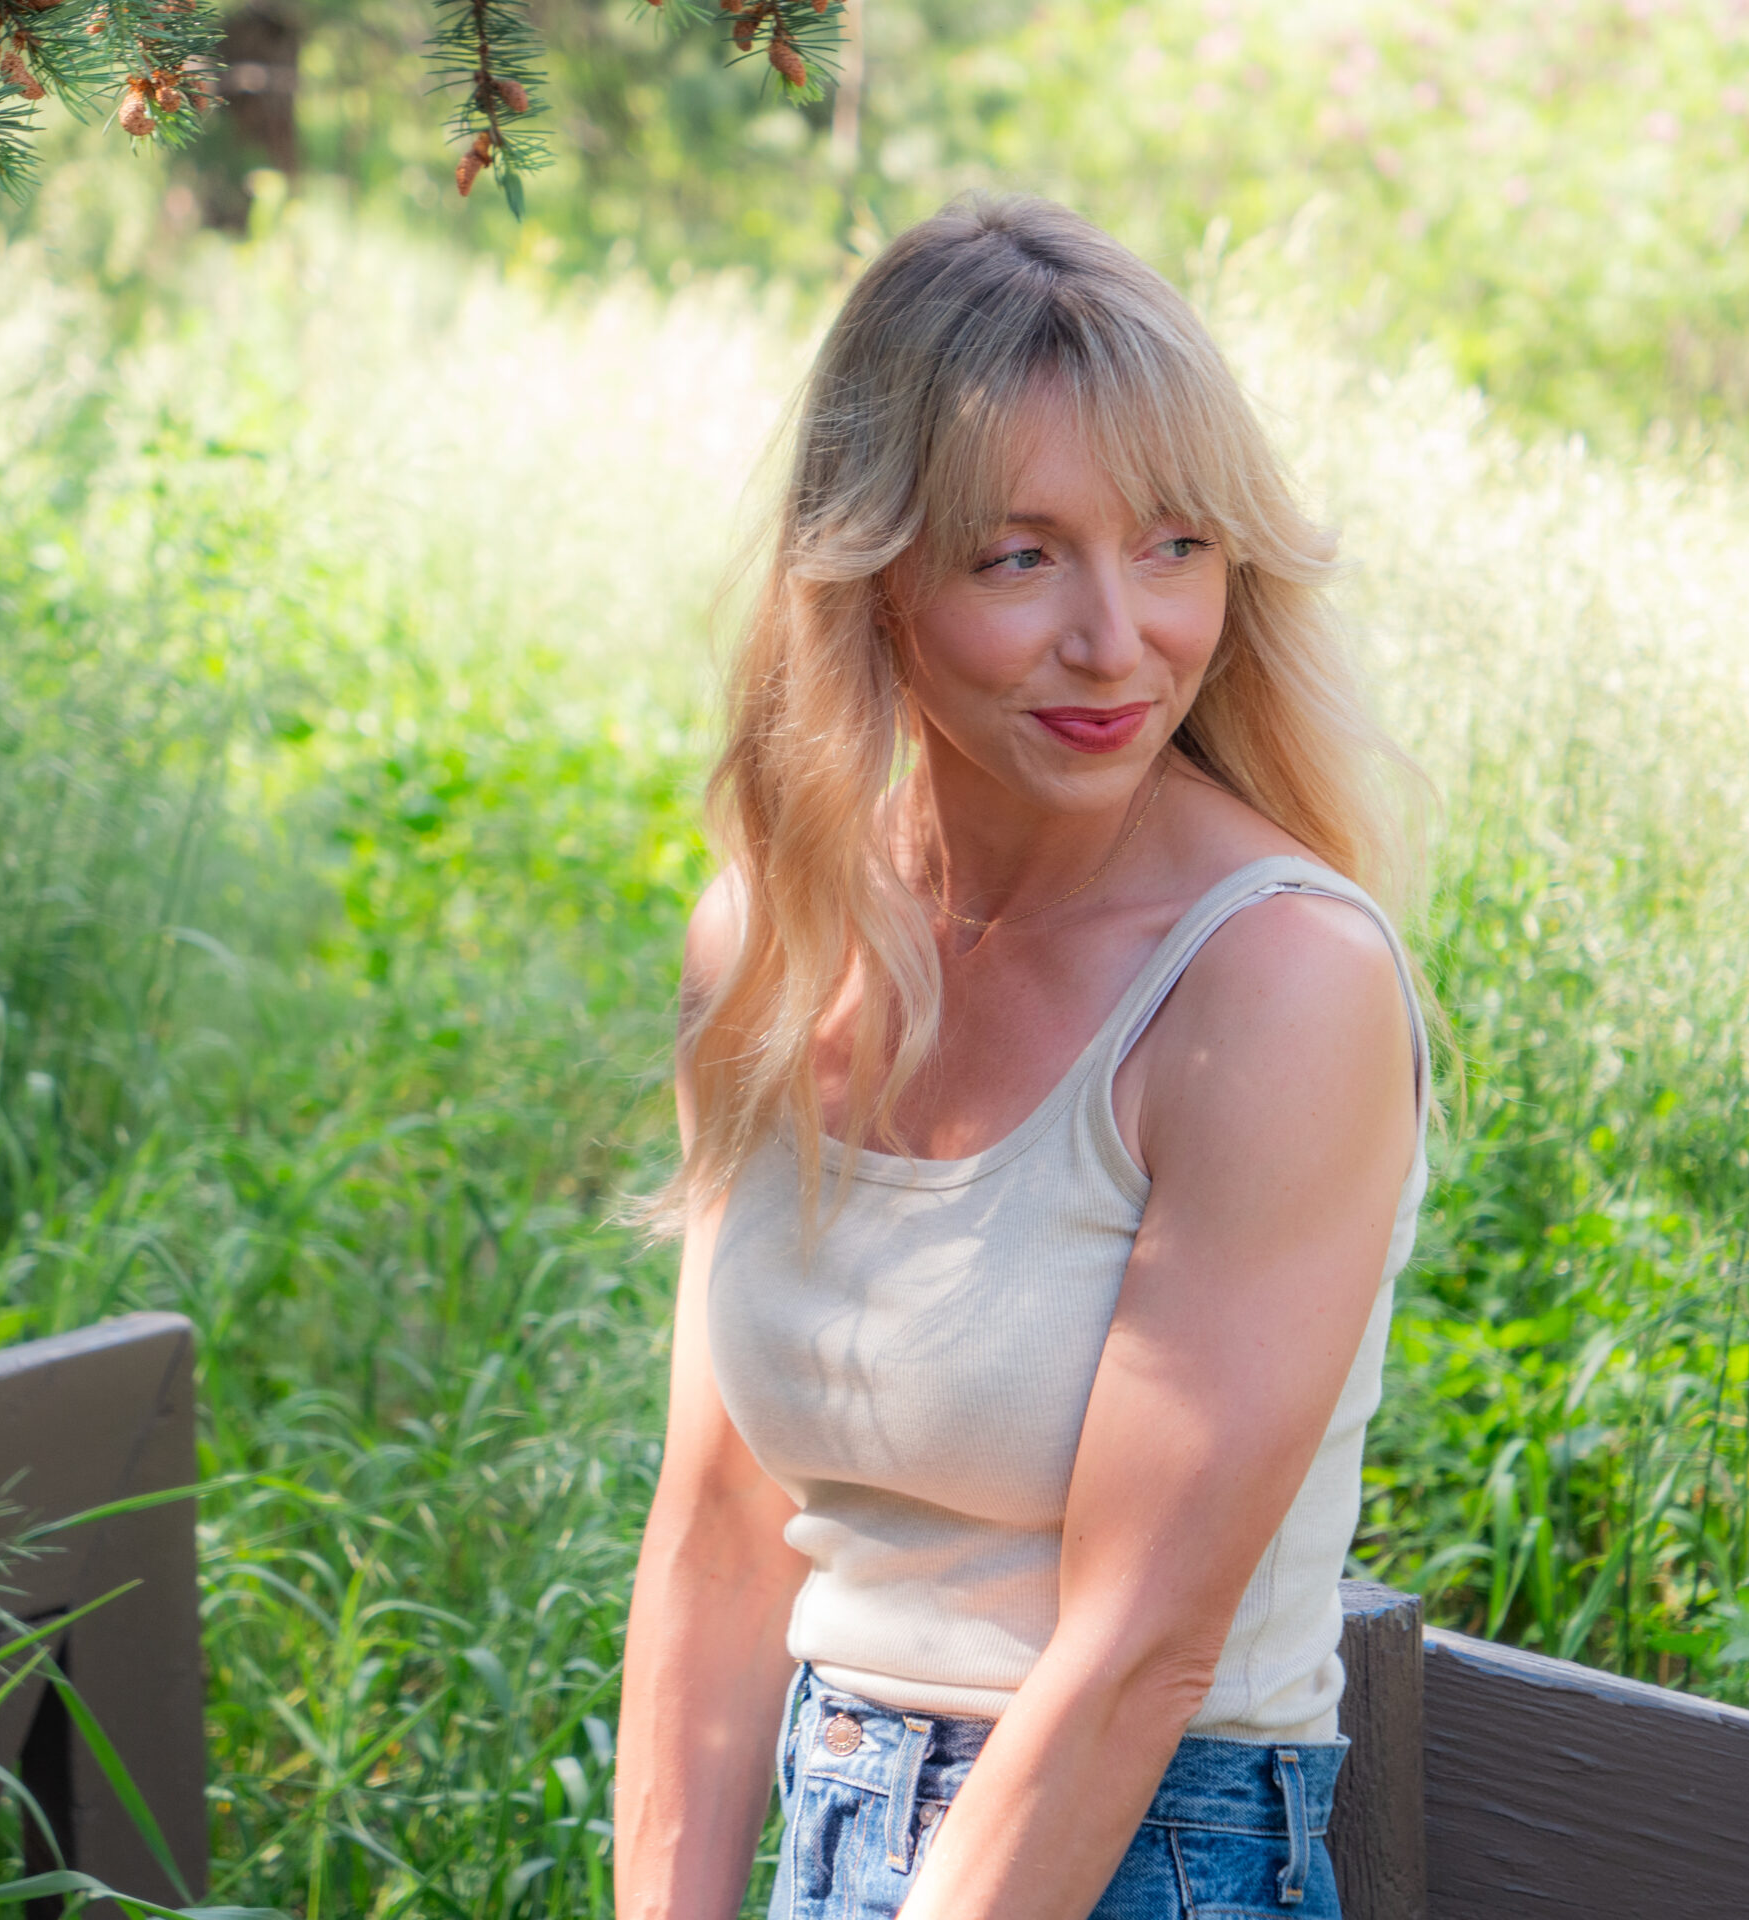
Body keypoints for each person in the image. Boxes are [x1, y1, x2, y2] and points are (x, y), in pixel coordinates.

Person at [615, 194, 1431, 1920]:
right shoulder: (772, 940)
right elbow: (713, 1534)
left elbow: (1138, 1650)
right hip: (832, 1832)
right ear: (875, 571)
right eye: (1019, 555)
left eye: (1174, 545)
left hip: (1146, 1857)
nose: (1118, 637)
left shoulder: (1275, 981)